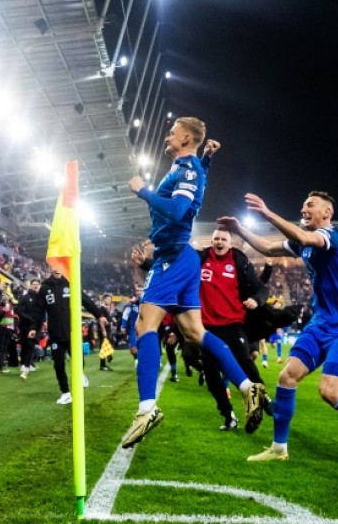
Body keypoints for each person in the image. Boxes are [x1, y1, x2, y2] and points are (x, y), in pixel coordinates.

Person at [218, 191, 338, 464]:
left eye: (310, 205)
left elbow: (307, 237)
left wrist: (267, 213)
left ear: (327, 213)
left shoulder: (331, 237)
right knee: (287, 377)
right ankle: (279, 448)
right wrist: (239, 229)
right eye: (304, 204)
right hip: (320, 323)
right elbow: (268, 248)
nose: (304, 208)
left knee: (331, 392)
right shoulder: (304, 245)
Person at [124, 117, 267, 449]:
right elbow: (194, 183)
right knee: (195, 333)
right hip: (180, 257)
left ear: (186, 138)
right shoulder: (188, 167)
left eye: (173, 132)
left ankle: (146, 410)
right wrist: (207, 159)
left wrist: (142, 191)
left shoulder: (186, 170)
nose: (167, 135)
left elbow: (177, 210)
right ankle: (249, 388)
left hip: (173, 257)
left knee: (146, 326)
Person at [135, 225, 269, 431]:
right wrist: (146, 263)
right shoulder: (200, 259)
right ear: (211, 241)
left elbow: (260, 287)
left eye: (224, 239)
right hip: (207, 326)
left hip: (232, 324)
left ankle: (264, 400)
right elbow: (175, 267)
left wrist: (256, 300)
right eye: (216, 239)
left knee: (245, 362)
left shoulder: (240, 262)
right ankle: (228, 415)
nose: (219, 242)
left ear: (230, 244)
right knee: (211, 374)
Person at [27, 269, 107, 405]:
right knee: (58, 365)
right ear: (51, 268)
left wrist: (99, 314)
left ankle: (80, 374)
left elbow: (85, 300)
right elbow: (38, 311)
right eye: (54, 266)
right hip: (55, 334)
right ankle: (65, 393)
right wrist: (34, 327)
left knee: (78, 358)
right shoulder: (45, 288)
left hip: (73, 332)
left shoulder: (71, 283)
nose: (57, 269)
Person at [15, 279, 42, 379]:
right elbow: (20, 311)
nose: (35, 286)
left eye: (37, 284)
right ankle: (26, 363)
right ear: (30, 285)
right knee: (25, 345)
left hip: (36, 325)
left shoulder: (41, 298)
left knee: (31, 344)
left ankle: (26, 365)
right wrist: (29, 318)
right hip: (25, 325)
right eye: (33, 284)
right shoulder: (25, 298)